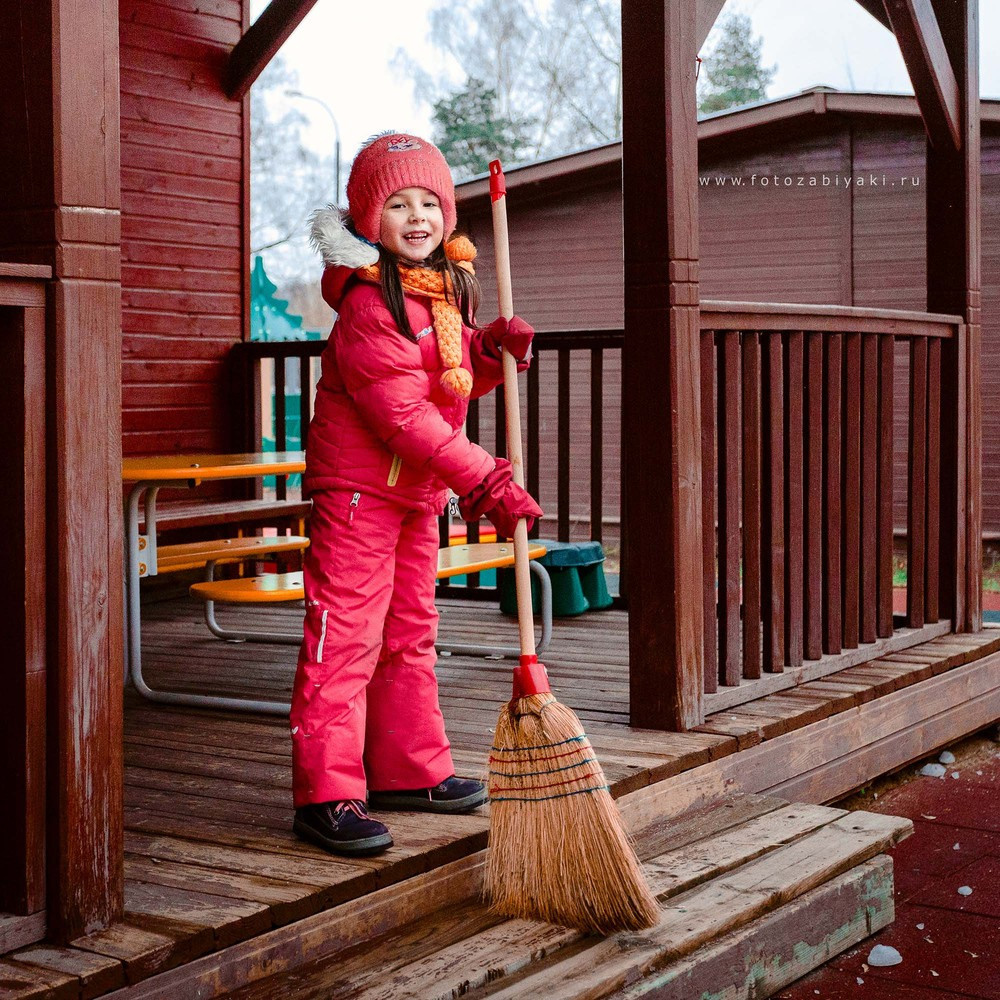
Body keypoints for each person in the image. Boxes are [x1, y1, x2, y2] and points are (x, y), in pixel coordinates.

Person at [291, 132, 543, 857]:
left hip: (414, 495)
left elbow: (445, 375)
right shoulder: (371, 304)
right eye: (397, 204)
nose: (416, 215)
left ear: (447, 214)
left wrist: (490, 353)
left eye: (428, 202)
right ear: (371, 221)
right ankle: (326, 793)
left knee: (408, 635)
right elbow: (403, 413)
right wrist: (487, 478)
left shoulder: (437, 291)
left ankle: (405, 770)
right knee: (347, 640)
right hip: (361, 495)